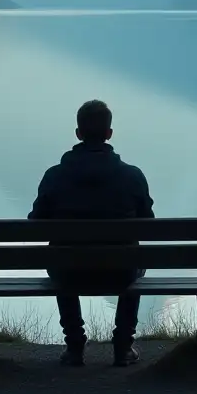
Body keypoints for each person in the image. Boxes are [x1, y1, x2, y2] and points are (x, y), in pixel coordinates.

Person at [29, 99, 155, 367]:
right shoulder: (132, 176)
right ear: (109, 134)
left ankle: (75, 345)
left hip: (68, 271)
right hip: (120, 272)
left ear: (78, 133)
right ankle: (122, 346)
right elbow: (149, 223)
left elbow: (35, 224)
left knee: (60, 257)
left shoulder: (55, 176)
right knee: (136, 259)